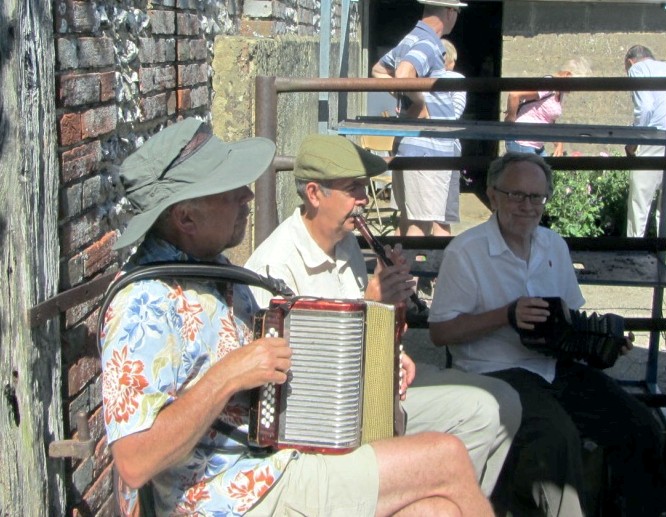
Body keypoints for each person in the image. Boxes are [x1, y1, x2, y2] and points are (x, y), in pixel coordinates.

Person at [99, 118, 493, 516]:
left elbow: (282, 367)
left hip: (275, 462)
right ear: (185, 218)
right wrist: (229, 375)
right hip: (228, 495)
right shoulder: (142, 304)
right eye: (230, 191)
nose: (246, 196)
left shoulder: (213, 272)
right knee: (446, 457)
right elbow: (134, 461)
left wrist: (374, 356)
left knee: (434, 511)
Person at [245, 133, 521, 497]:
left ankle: (444, 501)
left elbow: (374, 334)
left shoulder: (345, 244)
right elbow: (298, 381)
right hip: (329, 420)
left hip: (371, 387)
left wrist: (393, 327)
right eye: (353, 189)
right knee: (481, 411)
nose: (363, 200)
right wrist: (371, 303)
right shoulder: (275, 265)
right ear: (314, 194)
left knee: (502, 404)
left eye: (365, 187)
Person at [428, 152, 666, 517]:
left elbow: (570, 320)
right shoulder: (465, 252)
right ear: (493, 196)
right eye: (516, 195)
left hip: (552, 367)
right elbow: (440, 332)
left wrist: (602, 342)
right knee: (555, 439)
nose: (526, 206)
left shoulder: (553, 245)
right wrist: (506, 315)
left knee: (638, 423)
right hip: (494, 371)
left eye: (536, 197)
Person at [371, 0, 465, 237]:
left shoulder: (410, 38)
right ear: (450, 12)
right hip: (428, 149)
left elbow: (379, 71)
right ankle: (412, 274)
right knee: (420, 224)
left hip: (411, 145)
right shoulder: (428, 43)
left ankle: (403, 273)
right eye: (457, 12)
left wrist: (406, 97)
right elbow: (403, 74)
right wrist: (420, 101)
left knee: (409, 219)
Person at [623, 44, 666, 272]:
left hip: (656, 138)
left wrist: (633, 142)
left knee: (640, 201)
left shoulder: (638, 70)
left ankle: (634, 259)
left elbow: (645, 108)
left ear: (631, 61)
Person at [503, 58, 591, 156]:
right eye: (574, 85)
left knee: (546, 170)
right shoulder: (549, 84)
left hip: (536, 145)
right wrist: (511, 120)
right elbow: (514, 95)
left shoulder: (559, 91)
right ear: (567, 75)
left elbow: (548, 119)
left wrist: (559, 142)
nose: (574, 89)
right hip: (521, 141)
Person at [435, 37, 467, 236]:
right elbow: (455, 114)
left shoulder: (416, 78)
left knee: (412, 218)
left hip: (417, 146)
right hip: (447, 145)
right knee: (443, 217)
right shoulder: (457, 79)